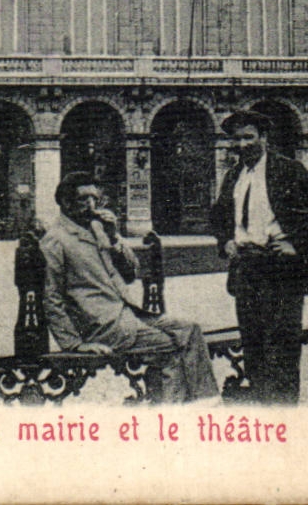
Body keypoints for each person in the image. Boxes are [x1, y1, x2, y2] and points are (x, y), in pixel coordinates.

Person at [41, 171, 218, 403]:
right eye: (84, 199)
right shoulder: (56, 239)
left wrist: (114, 237)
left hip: (128, 314)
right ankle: (177, 415)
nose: (92, 205)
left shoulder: (97, 229)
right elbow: (51, 298)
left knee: (190, 330)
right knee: (170, 349)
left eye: (95, 199)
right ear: (65, 202)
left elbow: (130, 272)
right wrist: (75, 344)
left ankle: (207, 405)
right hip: (103, 326)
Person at [210, 110, 308, 405]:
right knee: (253, 344)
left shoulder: (287, 170)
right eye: (236, 139)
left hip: (280, 270)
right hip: (246, 269)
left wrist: (297, 244)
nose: (241, 145)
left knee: (282, 345)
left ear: (264, 138)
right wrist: (226, 240)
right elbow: (220, 215)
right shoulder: (234, 176)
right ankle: (262, 407)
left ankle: (284, 412)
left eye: (248, 137)